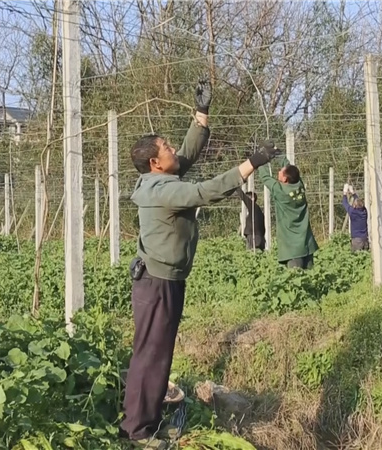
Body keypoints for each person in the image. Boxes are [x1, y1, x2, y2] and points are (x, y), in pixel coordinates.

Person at [120, 76, 279, 450]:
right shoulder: (164, 190)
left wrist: (201, 114)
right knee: (151, 355)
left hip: (163, 280)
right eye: (166, 147)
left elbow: (187, 156)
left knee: (157, 352)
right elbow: (203, 191)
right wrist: (251, 164)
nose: (173, 149)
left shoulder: (159, 179)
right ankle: (136, 432)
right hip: (157, 284)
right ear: (154, 163)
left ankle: (145, 420)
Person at [257, 154, 318, 269]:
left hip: (292, 249)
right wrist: (276, 153)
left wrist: (260, 157)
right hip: (307, 244)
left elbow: (265, 177)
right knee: (311, 280)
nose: (279, 171)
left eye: (281, 171)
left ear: (285, 179)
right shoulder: (299, 186)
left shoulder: (280, 191)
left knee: (295, 282)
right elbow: (288, 166)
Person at [342, 183, 368, 252]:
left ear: (354, 206)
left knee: (356, 257)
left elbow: (345, 203)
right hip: (365, 239)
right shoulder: (364, 211)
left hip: (357, 240)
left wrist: (345, 192)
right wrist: (353, 192)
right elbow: (359, 202)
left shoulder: (353, 212)